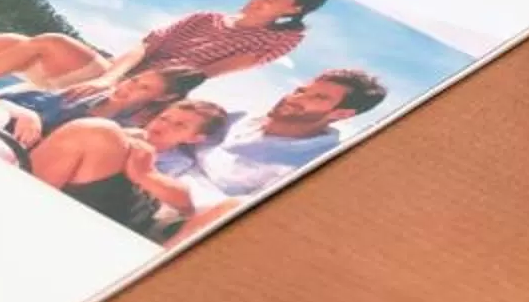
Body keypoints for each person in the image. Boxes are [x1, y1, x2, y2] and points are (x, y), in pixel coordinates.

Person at [0, 0, 329, 115]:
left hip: (148, 90)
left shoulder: (280, 39)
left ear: (292, 11)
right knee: (4, 41)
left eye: (273, 0)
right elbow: (141, 47)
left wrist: (136, 89)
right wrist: (109, 75)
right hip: (114, 73)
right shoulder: (205, 15)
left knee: (48, 41)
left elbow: (211, 73)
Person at [155, 68, 388, 204]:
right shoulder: (240, 117)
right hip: (153, 172)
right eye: (301, 90)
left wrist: (147, 176)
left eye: (318, 98)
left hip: (178, 213)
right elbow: (175, 136)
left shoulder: (313, 165)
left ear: (341, 113)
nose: (295, 99)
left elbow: (228, 215)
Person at [28, 98, 231, 240]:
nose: (164, 125)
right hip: (78, 186)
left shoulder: (184, 165)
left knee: (97, 132)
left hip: (123, 212)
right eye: (164, 118)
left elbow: (191, 203)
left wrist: (146, 174)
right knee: (96, 131)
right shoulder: (119, 132)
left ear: (195, 138)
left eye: (179, 125)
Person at [0, 66, 201, 167]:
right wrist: (26, 113)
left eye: (142, 88)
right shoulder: (81, 96)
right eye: (133, 80)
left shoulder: (122, 130)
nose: (127, 87)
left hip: (17, 156)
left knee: (1, 149)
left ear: (162, 98)